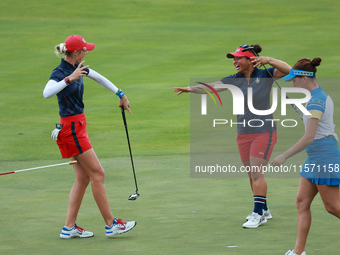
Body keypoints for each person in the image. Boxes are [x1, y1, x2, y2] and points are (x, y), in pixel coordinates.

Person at [174, 44, 291, 228]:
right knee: (251, 174)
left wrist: (267, 60)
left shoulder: (265, 74)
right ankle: (264, 209)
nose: (235, 62)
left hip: (264, 131)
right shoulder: (234, 79)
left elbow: (288, 70)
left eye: (238, 58)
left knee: (257, 171)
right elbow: (213, 87)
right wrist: (191, 88)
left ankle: (258, 213)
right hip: (243, 132)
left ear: (250, 60)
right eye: (234, 59)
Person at [43, 35, 137, 239]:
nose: (87, 53)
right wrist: (69, 79)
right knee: (98, 174)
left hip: (77, 127)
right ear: (75, 53)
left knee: (83, 178)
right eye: (85, 50)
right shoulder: (60, 72)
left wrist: (121, 95)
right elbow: (46, 93)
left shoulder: (79, 67)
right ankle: (111, 224)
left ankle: (69, 228)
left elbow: (99, 78)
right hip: (72, 130)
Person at [271, 58, 340, 255]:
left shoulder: (317, 101)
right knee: (302, 202)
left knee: (334, 208)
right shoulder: (313, 97)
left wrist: (284, 156)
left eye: (294, 80)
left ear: (304, 78)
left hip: (325, 155)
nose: (292, 84)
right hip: (315, 156)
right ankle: (298, 252)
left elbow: (309, 137)